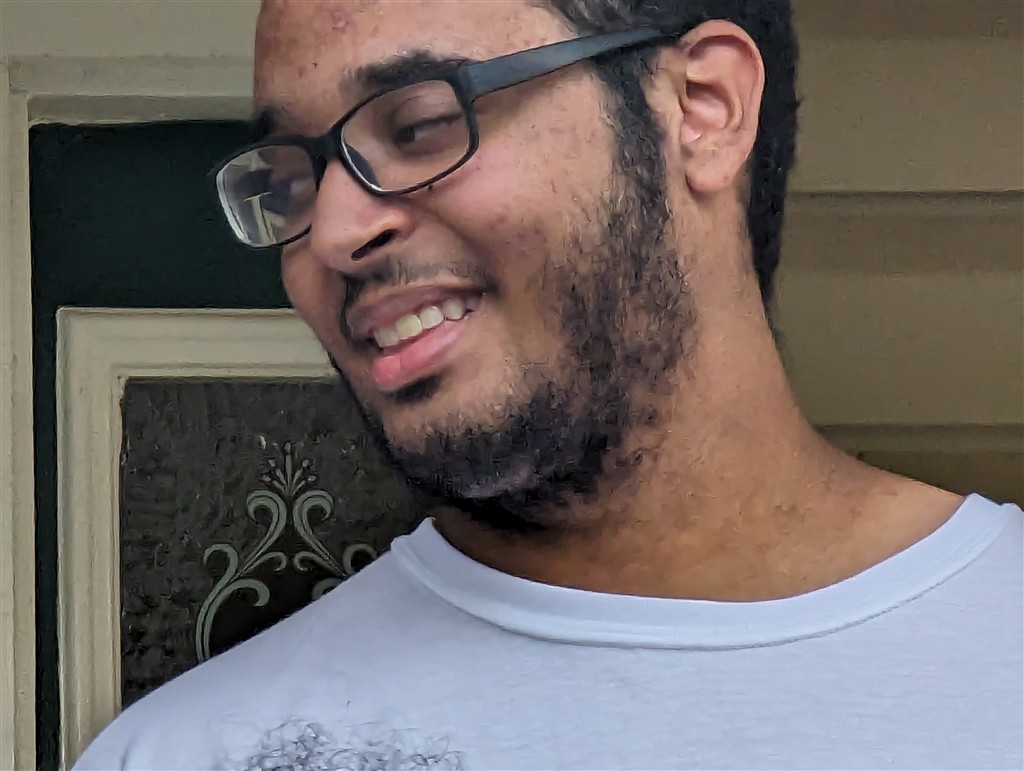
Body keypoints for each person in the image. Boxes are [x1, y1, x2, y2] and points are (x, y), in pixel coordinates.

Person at [77, 0, 1022, 769]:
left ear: (704, 107)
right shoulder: (190, 752)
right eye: (292, 180)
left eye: (419, 124)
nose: (332, 234)